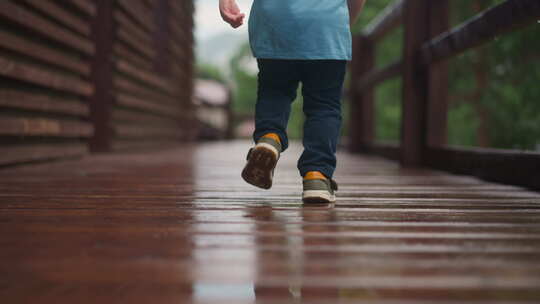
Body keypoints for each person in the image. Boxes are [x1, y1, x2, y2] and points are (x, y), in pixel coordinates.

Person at [219, 0, 366, 204]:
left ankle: (270, 138)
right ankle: (317, 176)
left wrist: (225, 2)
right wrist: (343, 22)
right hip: (326, 25)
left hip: (275, 23)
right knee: (324, 106)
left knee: (274, 92)